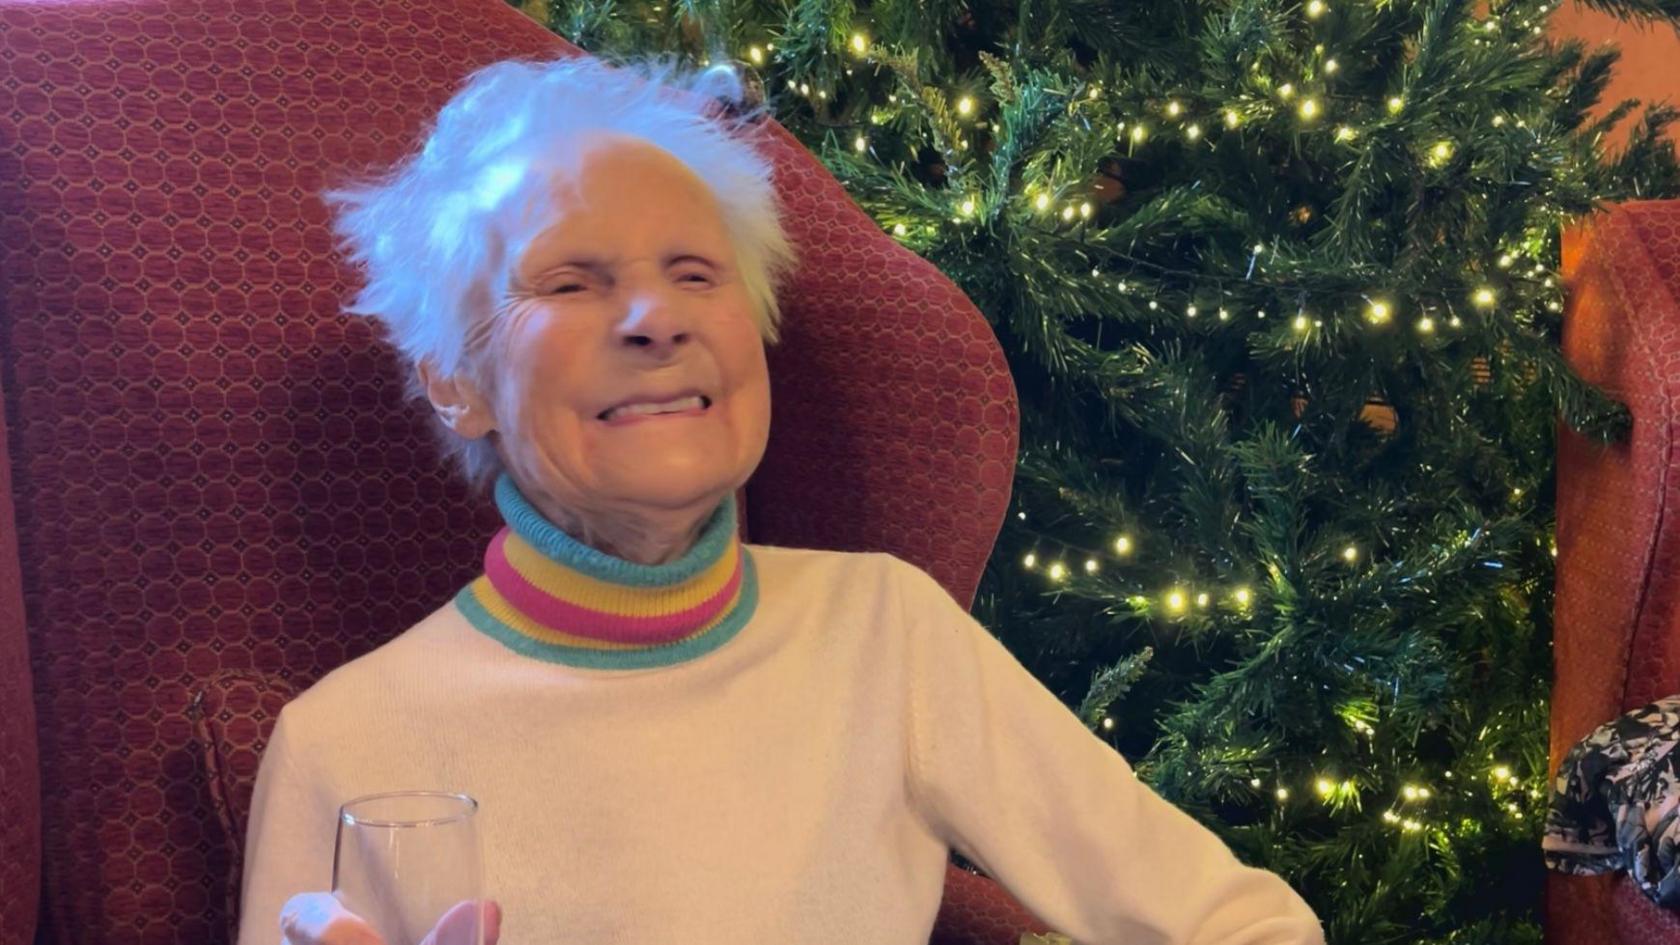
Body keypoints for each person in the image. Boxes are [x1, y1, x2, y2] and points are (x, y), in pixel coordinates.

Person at [238, 54, 1325, 945]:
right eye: (572, 281)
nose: (657, 317)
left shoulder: (887, 638)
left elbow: (1240, 923)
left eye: (698, 273)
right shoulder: (345, 748)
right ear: (456, 381)